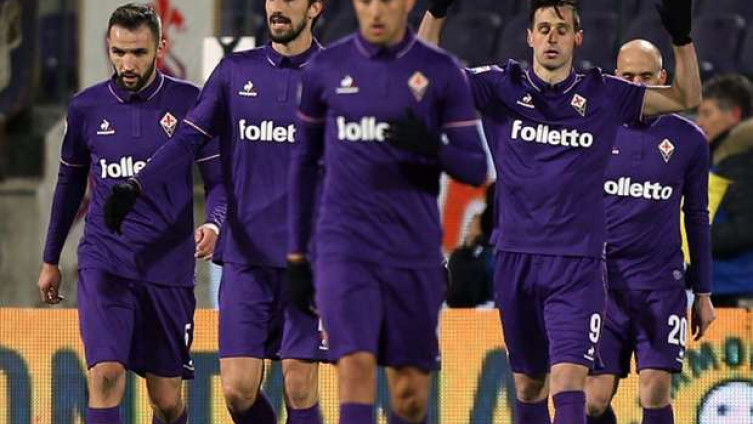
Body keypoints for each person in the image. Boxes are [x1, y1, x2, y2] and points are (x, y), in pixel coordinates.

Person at [418, 0, 702, 423]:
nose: (552, 37)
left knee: (570, 383)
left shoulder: (604, 93)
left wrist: (682, 40)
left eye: (562, 29)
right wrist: (436, 12)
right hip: (515, 259)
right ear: (530, 37)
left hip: (578, 265)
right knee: (529, 386)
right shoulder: (500, 86)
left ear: (577, 38)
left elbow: (687, 96)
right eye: (544, 28)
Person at [102, 1, 329, 423]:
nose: (278, 7)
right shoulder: (234, 71)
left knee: (299, 384)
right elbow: (187, 139)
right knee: (237, 392)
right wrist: (136, 184)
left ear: (316, 6)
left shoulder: (335, 74)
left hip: (310, 259)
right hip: (245, 258)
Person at [286, 0, 487, 423]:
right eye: (365, 1)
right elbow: (303, 164)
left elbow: (474, 167)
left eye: (387, 1)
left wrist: (433, 147)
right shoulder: (326, 69)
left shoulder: (441, 71)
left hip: (412, 250)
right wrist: (297, 257)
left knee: (409, 394)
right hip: (345, 247)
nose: (375, 12)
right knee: (355, 368)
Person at [36, 4, 225, 424]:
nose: (127, 63)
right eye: (118, 52)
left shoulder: (190, 101)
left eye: (138, 52)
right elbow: (69, 187)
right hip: (105, 260)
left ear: (160, 48)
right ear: (108, 46)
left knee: (167, 401)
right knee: (105, 375)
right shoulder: (86, 107)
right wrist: (50, 259)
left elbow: (218, 179)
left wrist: (214, 222)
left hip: (168, 267)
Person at [584, 39, 715, 424]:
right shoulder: (592, 131)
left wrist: (703, 292)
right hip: (601, 286)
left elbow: (697, 216)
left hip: (661, 286)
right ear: (614, 78)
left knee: (654, 390)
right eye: (628, 77)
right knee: (593, 400)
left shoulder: (689, 139)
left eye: (646, 76)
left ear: (663, 78)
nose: (637, 85)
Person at [696, 74, 753, 166]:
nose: (699, 123)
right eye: (699, 114)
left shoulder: (739, 162)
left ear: (735, 115)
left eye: (707, 114)